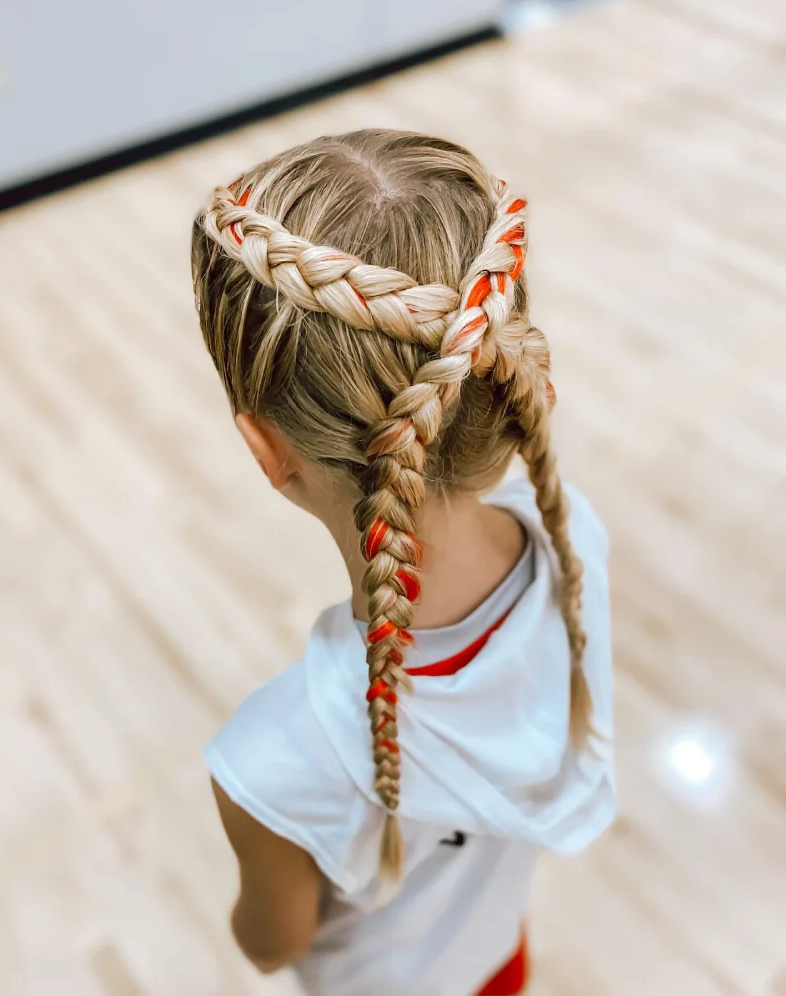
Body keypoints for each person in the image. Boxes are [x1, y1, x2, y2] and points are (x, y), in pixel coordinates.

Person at [192, 129, 614, 996]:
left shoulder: (271, 761)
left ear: (269, 451)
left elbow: (270, 945)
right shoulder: (576, 544)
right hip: (499, 958)